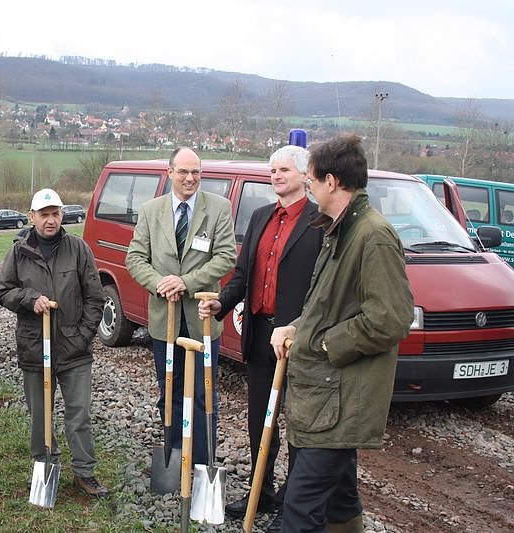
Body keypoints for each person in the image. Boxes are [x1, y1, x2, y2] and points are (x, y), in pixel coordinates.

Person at [269, 134, 413, 533]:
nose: (310, 188)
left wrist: (325, 344)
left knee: (299, 510)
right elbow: (328, 305)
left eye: (312, 180)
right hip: (323, 396)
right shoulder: (339, 230)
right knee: (340, 498)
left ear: (331, 182)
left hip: (339, 400)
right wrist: (294, 327)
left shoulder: (373, 236)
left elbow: (391, 318)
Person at [198, 145, 322, 528]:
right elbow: (242, 274)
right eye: (272, 170)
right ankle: (261, 492)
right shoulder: (260, 216)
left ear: (304, 175)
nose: (276, 176)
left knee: (298, 424)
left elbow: (322, 287)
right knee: (259, 422)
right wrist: (221, 302)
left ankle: (292, 503)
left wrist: (302, 327)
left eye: (284, 169)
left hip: (297, 339)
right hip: (259, 335)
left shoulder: (320, 222)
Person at [126, 147, 237, 465]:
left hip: (202, 319)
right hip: (167, 319)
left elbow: (226, 257)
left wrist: (185, 282)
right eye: (184, 172)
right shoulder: (151, 211)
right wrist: (160, 283)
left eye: (196, 172)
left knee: (204, 395)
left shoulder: (218, 208)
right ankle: (175, 458)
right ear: (170, 172)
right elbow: (135, 258)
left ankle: (201, 464)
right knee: (171, 391)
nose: (190, 178)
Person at [0, 188, 109, 498]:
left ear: (62, 215)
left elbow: (95, 297)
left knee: (79, 413)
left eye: (55, 213)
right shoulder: (19, 251)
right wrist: (30, 299)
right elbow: (3, 291)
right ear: (32, 217)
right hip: (35, 347)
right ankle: (45, 469)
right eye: (43, 214)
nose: (50, 220)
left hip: (74, 349)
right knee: (40, 415)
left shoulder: (78, 249)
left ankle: (85, 472)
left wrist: (83, 335)